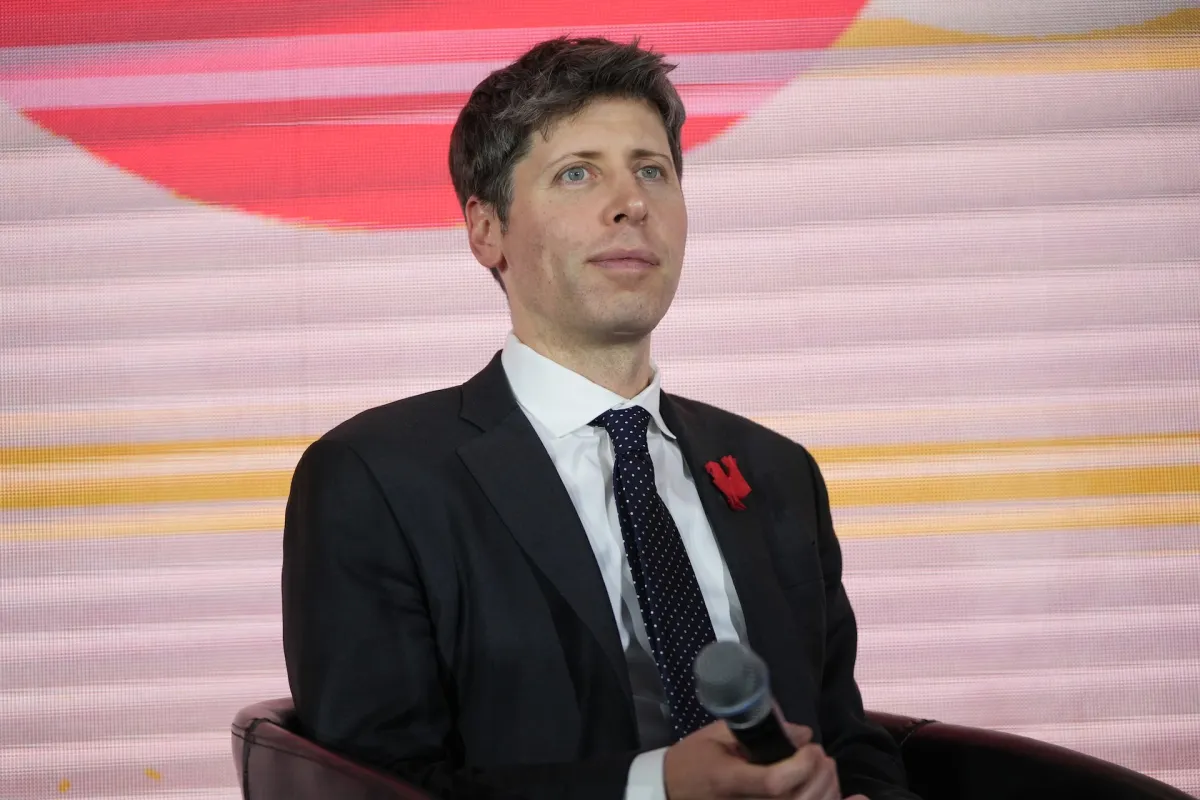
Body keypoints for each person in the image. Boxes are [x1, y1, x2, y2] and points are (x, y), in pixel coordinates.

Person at [282, 36, 920, 800]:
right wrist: (658, 787)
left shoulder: (777, 472)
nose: (632, 204)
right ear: (486, 230)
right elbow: (374, 787)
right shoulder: (376, 479)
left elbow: (846, 736)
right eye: (577, 173)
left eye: (652, 170)